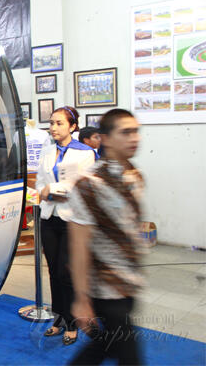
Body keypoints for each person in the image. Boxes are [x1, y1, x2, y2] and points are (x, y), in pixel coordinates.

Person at [68, 109, 144, 365]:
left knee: (104, 346)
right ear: (105, 138)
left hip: (129, 283)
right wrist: (81, 299)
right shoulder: (88, 184)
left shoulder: (135, 177)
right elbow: (78, 245)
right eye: (126, 132)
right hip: (104, 288)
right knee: (130, 357)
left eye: (136, 131)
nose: (134, 138)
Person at [35, 106, 96, 345]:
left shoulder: (86, 153)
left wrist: (58, 190)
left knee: (65, 273)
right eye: (51, 123)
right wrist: (45, 193)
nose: (53, 127)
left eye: (59, 123)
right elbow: (41, 182)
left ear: (72, 126)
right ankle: (59, 318)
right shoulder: (47, 150)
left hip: (73, 219)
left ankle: (72, 323)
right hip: (49, 216)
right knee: (52, 271)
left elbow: (85, 185)